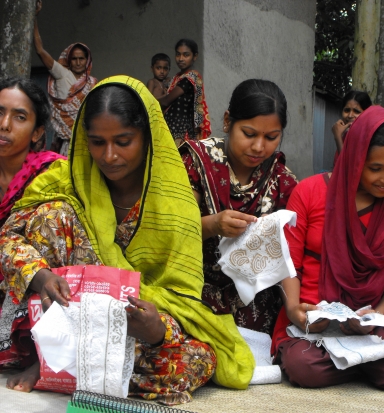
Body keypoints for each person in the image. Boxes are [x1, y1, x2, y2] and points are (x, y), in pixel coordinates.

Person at [0, 76, 253, 404]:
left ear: (147, 137)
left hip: (132, 329)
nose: (109, 156)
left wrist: (156, 329)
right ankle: (50, 360)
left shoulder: (174, 202)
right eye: (97, 141)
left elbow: (181, 297)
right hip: (65, 315)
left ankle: (68, 372)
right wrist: (41, 276)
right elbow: (7, 239)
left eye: (123, 141)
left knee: (196, 360)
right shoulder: (67, 179)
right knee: (53, 214)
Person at [270, 106, 384, 394]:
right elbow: (288, 263)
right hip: (313, 320)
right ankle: (364, 368)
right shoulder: (310, 192)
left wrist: (373, 316)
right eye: (375, 168)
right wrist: (294, 310)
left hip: (368, 323)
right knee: (303, 366)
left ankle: (356, 363)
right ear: (354, 159)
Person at [181, 79, 298, 335]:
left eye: (271, 137)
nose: (259, 147)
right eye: (249, 133)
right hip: (195, 287)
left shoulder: (282, 180)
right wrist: (213, 224)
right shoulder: (198, 161)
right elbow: (174, 231)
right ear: (227, 122)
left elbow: (291, 253)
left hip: (254, 297)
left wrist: (294, 306)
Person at [0, 77, 64, 367]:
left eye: (19, 117)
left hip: (31, 286)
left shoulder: (52, 174)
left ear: (38, 131)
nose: (4, 125)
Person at [33, 0, 97, 156]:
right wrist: (34, 17)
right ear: (69, 60)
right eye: (74, 59)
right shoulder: (62, 73)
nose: (78, 62)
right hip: (63, 138)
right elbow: (40, 51)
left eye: (81, 58)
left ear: (87, 60)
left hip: (84, 138)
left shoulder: (92, 83)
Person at [159, 39, 211, 147]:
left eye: (186, 55)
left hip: (181, 131)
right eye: (178, 54)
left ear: (194, 56)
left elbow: (166, 101)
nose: (181, 59)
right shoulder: (177, 78)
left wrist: (146, 100)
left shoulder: (189, 79)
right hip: (171, 128)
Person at [332, 90, 372, 166]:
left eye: (356, 111)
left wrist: (337, 137)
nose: (350, 115)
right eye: (347, 110)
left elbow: (347, 169)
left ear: (367, 113)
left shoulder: (368, 138)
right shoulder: (347, 135)